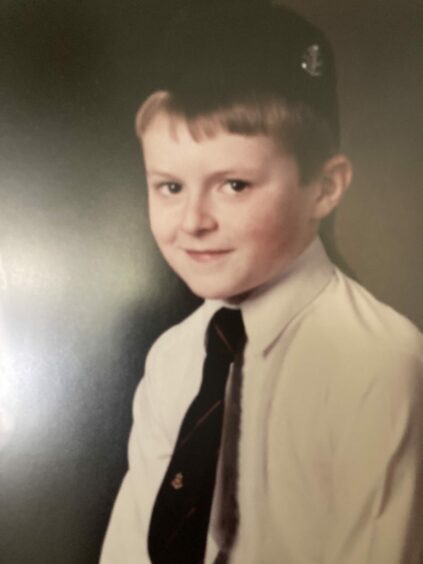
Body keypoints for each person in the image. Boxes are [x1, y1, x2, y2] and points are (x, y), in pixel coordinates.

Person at [101, 2, 423, 562]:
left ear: (324, 187)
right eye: (170, 187)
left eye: (234, 185)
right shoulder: (173, 357)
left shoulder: (380, 363)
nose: (193, 221)